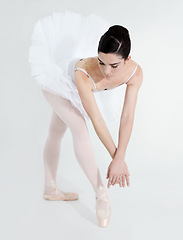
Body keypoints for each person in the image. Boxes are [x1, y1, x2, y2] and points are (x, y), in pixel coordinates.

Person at [29, 11, 143, 227]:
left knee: (56, 131)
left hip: (74, 87)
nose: (106, 71)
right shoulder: (85, 73)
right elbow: (96, 118)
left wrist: (120, 157)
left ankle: (50, 187)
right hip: (57, 82)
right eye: (101, 62)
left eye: (114, 66)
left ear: (127, 59)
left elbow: (127, 115)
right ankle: (101, 194)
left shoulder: (135, 74)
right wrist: (115, 157)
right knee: (79, 128)